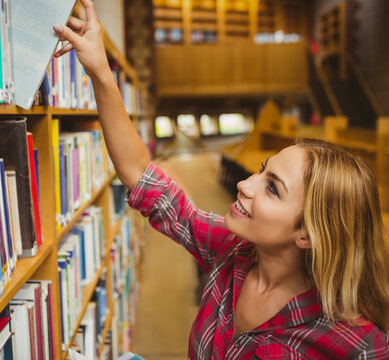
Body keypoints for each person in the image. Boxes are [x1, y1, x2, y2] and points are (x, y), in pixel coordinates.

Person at [52, 1, 389, 358]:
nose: (246, 184)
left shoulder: (356, 345)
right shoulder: (234, 251)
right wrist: (101, 71)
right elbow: (143, 178)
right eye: (262, 170)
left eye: (272, 188)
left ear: (308, 233)